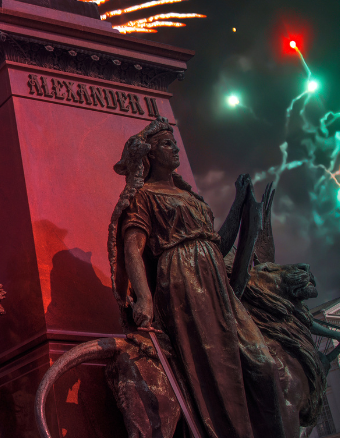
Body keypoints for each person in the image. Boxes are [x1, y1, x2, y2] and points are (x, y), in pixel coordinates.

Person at [108, 118, 286, 437]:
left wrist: (239, 205)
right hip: (182, 284)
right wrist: (145, 298)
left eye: (175, 143)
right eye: (166, 144)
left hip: (218, 285)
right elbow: (133, 249)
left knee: (263, 363)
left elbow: (219, 244)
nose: (175, 148)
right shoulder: (144, 196)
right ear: (149, 154)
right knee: (212, 369)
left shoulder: (192, 198)